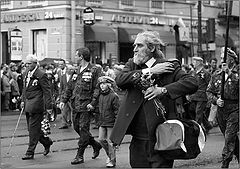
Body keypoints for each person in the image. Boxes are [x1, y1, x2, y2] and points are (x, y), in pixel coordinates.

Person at [109, 31, 198, 168]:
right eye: (134, 45)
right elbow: (119, 80)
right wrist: (150, 71)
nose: (135, 49)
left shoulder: (168, 66)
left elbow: (192, 82)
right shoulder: (132, 65)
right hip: (138, 139)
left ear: (151, 48)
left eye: (139, 45)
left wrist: (163, 90)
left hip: (162, 137)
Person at [59, 47, 102, 165]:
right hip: (75, 105)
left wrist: (93, 103)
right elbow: (69, 87)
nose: (75, 57)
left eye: (76, 55)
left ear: (81, 57)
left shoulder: (94, 70)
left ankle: (80, 155)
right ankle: (95, 144)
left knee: (83, 129)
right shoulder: (76, 70)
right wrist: (64, 100)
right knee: (76, 127)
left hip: (86, 105)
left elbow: (97, 88)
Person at [207, 48, 239, 168]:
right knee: (231, 137)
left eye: (224, 57)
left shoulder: (237, 72)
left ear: (232, 59)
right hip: (221, 110)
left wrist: (230, 74)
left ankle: (225, 164)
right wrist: (216, 100)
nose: (222, 60)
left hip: (235, 109)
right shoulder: (216, 74)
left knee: (229, 137)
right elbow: (209, 92)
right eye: (221, 57)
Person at [21, 54, 53, 160]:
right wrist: (22, 100)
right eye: (26, 63)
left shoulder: (41, 74)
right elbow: (24, 88)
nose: (27, 65)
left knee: (33, 130)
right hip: (27, 103)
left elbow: (47, 91)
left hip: (37, 105)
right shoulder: (25, 73)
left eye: (29, 63)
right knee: (32, 129)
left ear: (35, 63)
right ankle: (46, 142)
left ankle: (30, 151)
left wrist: (49, 106)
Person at [97, 76, 119, 168]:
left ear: (109, 85)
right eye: (101, 84)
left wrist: (117, 123)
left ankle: (112, 160)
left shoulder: (113, 96)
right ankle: (109, 156)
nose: (102, 86)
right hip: (102, 121)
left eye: (104, 84)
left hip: (111, 122)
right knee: (101, 140)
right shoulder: (101, 95)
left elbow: (117, 110)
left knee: (111, 142)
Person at [187, 56, 213, 133]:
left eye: (195, 62)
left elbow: (209, 84)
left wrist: (209, 95)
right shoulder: (193, 72)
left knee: (198, 113)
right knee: (195, 111)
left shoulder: (205, 73)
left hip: (202, 96)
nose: (193, 63)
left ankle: (197, 129)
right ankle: (207, 125)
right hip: (194, 96)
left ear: (199, 63)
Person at [58, 64, 75, 129]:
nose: (72, 70)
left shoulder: (75, 76)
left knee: (73, 110)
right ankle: (64, 123)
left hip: (72, 96)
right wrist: (60, 95)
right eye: (70, 69)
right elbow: (61, 87)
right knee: (64, 110)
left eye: (72, 69)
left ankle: (71, 122)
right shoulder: (63, 76)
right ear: (67, 69)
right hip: (64, 95)